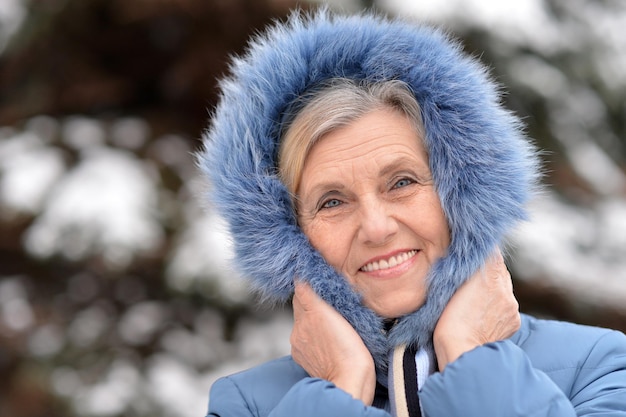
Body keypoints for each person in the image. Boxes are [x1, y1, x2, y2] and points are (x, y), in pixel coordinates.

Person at [198, 9, 626, 417]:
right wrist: (339, 387)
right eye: (332, 201)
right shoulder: (247, 404)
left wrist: (472, 358)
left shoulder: (598, 366)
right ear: (289, 234)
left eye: (402, 182)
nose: (377, 227)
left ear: (460, 191)